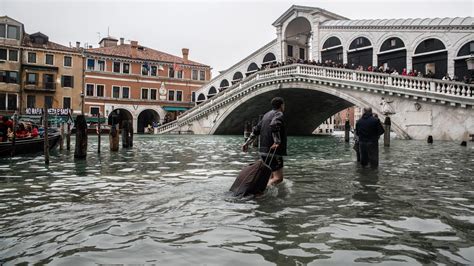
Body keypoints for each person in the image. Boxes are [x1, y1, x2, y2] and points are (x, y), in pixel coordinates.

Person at [242, 97, 287, 187]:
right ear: (282, 105)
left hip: (263, 152)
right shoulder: (279, 114)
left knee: (270, 175)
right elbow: (274, 125)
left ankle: (266, 195)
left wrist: (246, 143)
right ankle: (261, 190)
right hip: (274, 151)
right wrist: (277, 142)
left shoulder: (266, 115)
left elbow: (255, 130)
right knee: (278, 178)